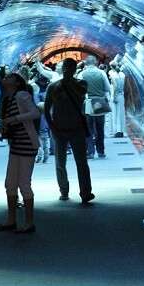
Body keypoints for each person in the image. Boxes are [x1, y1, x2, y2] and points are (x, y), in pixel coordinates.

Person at [0, 72, 40, 233]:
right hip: (15, 145)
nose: (6, 78)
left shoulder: (21, 95)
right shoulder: (8, 98)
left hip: (27, 143)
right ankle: (11, 220)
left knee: (24, 184)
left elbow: (35, 113)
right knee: (10, 183)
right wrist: (3, 126)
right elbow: (7, 118)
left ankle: (29, 222)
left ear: (17, 82)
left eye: (10, 77)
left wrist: (14, 119)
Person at [44, 58, 94, 204]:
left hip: (77, 129)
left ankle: (85, 192)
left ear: (75, 69)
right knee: (60, 163)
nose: (67, 69)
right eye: (65, 66)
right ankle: (64, 190)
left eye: (70, 66)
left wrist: (67, 82)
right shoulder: (53, 87)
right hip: (58, 130)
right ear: (61, 68)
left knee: (82, 162)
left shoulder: (81, 84)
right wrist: (52, 127)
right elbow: (47, 109)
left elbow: (80, 94)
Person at [79, 55, 111, 159]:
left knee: (88, 129)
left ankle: (90, 152)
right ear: (96, 62)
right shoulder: (101, 73)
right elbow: (107, 88)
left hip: (88, 103)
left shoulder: (81, 74)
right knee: (100, 128)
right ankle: (101, 151)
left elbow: (78, 90)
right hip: (100, 102)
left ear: (86, 63)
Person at [109, 64, 126, 137]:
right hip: (121, 95)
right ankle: (121, 130)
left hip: (116, 96)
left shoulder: (113, 75)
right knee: (121, 113)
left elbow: (115, 86)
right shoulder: (122, 74)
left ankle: (116, 131)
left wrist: (114, 96)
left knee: (115, 114)